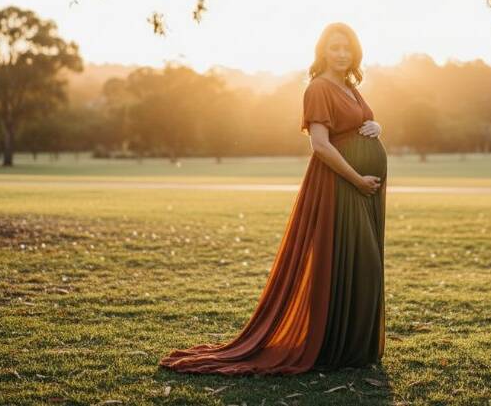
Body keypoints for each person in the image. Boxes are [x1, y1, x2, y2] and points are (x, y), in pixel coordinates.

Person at [159, 22, 388, 375]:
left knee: (362, 262)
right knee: (350, 260)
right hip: (340, 187)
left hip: (360, 189)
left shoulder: (350, 87)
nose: (341, 54)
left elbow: (357, 125)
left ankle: (351, 348)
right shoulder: (318, 88)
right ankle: (333, 347)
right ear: (323, 51)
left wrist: (377, 128)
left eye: (347, 48)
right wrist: (357, 179)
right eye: (335, 47)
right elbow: (320, 145)